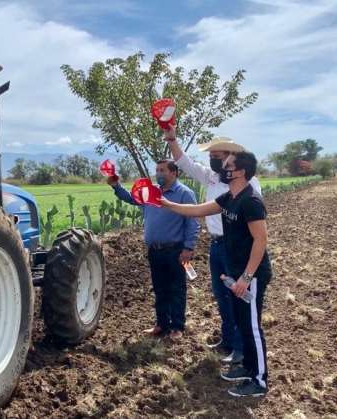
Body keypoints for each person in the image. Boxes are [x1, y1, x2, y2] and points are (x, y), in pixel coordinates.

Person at [160, 151, 273, 397]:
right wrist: (167, 204)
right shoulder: (229, 197)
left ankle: (259, 380)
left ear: (241, 171)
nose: (223, 168)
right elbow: (199, 210)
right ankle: (247, 367)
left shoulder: (250, 201)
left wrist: (246, 277)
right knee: (243, 323)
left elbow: (260, 240)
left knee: (252, 327)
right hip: (235, 272)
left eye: (228, 165)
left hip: (250, 275)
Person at [163, 126, 262, 366]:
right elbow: (183, 161)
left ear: (231, 156)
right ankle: (228, 339)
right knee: (221, 296)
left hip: (237, 247)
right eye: (211, 155)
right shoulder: (210, 176)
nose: (212, 159)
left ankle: (240, 348)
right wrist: (171, 138)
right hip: (216, 245)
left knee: (238, 297)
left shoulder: (247, 184)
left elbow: (255, 225)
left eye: (216, 155)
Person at [109, 160, 200, 341]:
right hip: (154, 251)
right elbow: (131, 198)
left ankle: (177, 326)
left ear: (174, 173)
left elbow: (193, 222)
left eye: (162, 170)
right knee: (160, 289)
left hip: (176, 251)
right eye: (157, 170)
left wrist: (188, 248)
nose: (158, 173)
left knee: (176, 289)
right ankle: (161, 324)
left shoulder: (184, 194)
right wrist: (116, 186)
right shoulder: (151, 192)